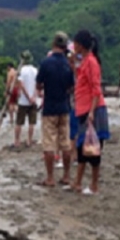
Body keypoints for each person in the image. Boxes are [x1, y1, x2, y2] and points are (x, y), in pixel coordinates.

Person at [71, 30, 109, 195]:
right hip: (83, 109)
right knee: (82, 147)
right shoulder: (85, 61)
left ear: (81, 45)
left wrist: (92, 112)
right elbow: (81, 81)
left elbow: (96, 89)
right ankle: (78, 182)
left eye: (76, 44)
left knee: (92, 149)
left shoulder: (92, 62)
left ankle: (94, 185)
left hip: (92, 110)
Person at [36, 32, 75, 187]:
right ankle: (66, 176)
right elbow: (71, 87)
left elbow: (38, 85)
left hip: (50, 107)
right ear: (65, 46)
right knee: (65, 142)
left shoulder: (46, 63)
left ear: (53, 44)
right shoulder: (67, 64)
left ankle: (50, 178)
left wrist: (44, 88)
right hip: (64, 107)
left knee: (49, 144)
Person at [14, 51, 39, 148]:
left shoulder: (21, 70)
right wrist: (33, 97)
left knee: (19, 122)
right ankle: (29, 140)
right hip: (33, 101)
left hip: (23, 101)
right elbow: (38, 85)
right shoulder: (35, 70)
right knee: (31, 123)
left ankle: (17, 141)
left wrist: (28, 97)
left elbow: (21, 85)